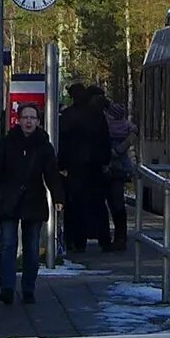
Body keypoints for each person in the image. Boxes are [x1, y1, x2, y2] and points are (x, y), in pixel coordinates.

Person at [0, 101, 54, 305]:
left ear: (38, 121)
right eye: (25, 117)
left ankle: (28, 288)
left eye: (32, 118)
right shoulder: (7, 143)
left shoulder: (44, 145)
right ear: (18, 120)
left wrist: (58, 197)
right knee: (7, 244)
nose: (29, 121)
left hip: (33, 201)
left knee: (32, 248)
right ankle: (7, 288)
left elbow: (50, 173)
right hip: (8, 201)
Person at [55, 84, 114, 254]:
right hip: (95, 167)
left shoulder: (67, 116)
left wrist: (62, 165)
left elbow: (63, 143)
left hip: (74, 168)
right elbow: (105, 140)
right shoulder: (97, 116)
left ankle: (76, 241)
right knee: (98, 205)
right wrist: (105, 161)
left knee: (75, 206)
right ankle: (104, 240)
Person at [101, 89, 138, 251]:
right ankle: (120, 236)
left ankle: (113, 237)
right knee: (117, 204)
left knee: (110, 203)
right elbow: (134, 134)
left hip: (108, 168)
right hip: (121, 169)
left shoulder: (105, 126)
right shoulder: (128, 128)